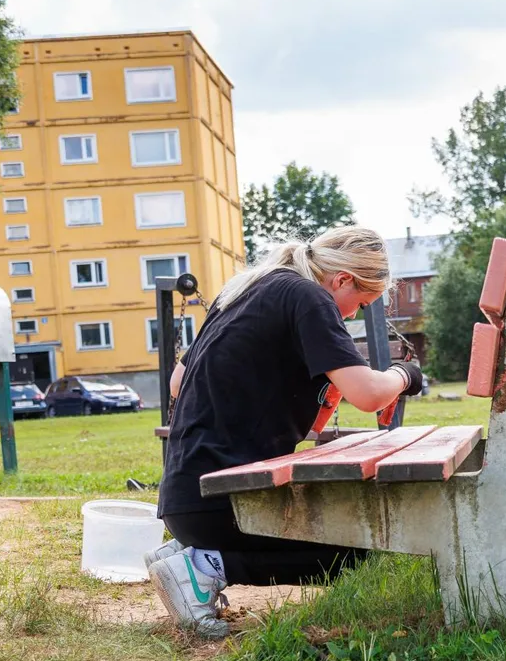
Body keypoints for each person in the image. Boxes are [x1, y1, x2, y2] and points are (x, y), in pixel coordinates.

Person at [152, 227, 424, 637]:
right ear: (342, 280)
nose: (350, 316)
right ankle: (202, 565)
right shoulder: (308, 296)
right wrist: (405, 374)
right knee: (355, 552)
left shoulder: (245, 289)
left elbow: (178, 381)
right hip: (225, 503)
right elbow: (368, 394)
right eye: (360, 304)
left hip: (187, 495)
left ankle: (189, 549)